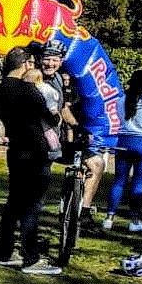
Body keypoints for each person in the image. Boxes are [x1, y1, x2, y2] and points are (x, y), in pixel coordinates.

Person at [0, 47, 63, 274]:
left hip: (16, 149)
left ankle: (5, 252)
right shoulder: (28, 90)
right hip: (35, 151)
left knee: (14, 202)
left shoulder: (1, 90)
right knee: (32, 205)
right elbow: (50, 117)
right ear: (24, 64)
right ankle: (31, 258)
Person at [40, 41, 105, 231]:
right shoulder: (35, 78)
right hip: (38, 139)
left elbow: (63, 109)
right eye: (47, 59)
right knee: (38, 180)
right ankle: (25, 218)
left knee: (97, 164)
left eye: (54, 59)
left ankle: (83, 213)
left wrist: (77, 126)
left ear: (60, 62)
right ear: (40, 60)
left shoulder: (60, 79)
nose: (50, 63)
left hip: (57, 140)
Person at [104, 69, 142, 231]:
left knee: (119, 181)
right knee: (138, 183)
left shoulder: (121, 101)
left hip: (124, 142)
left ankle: (109, 218)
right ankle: (134, 220)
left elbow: (118, 118)